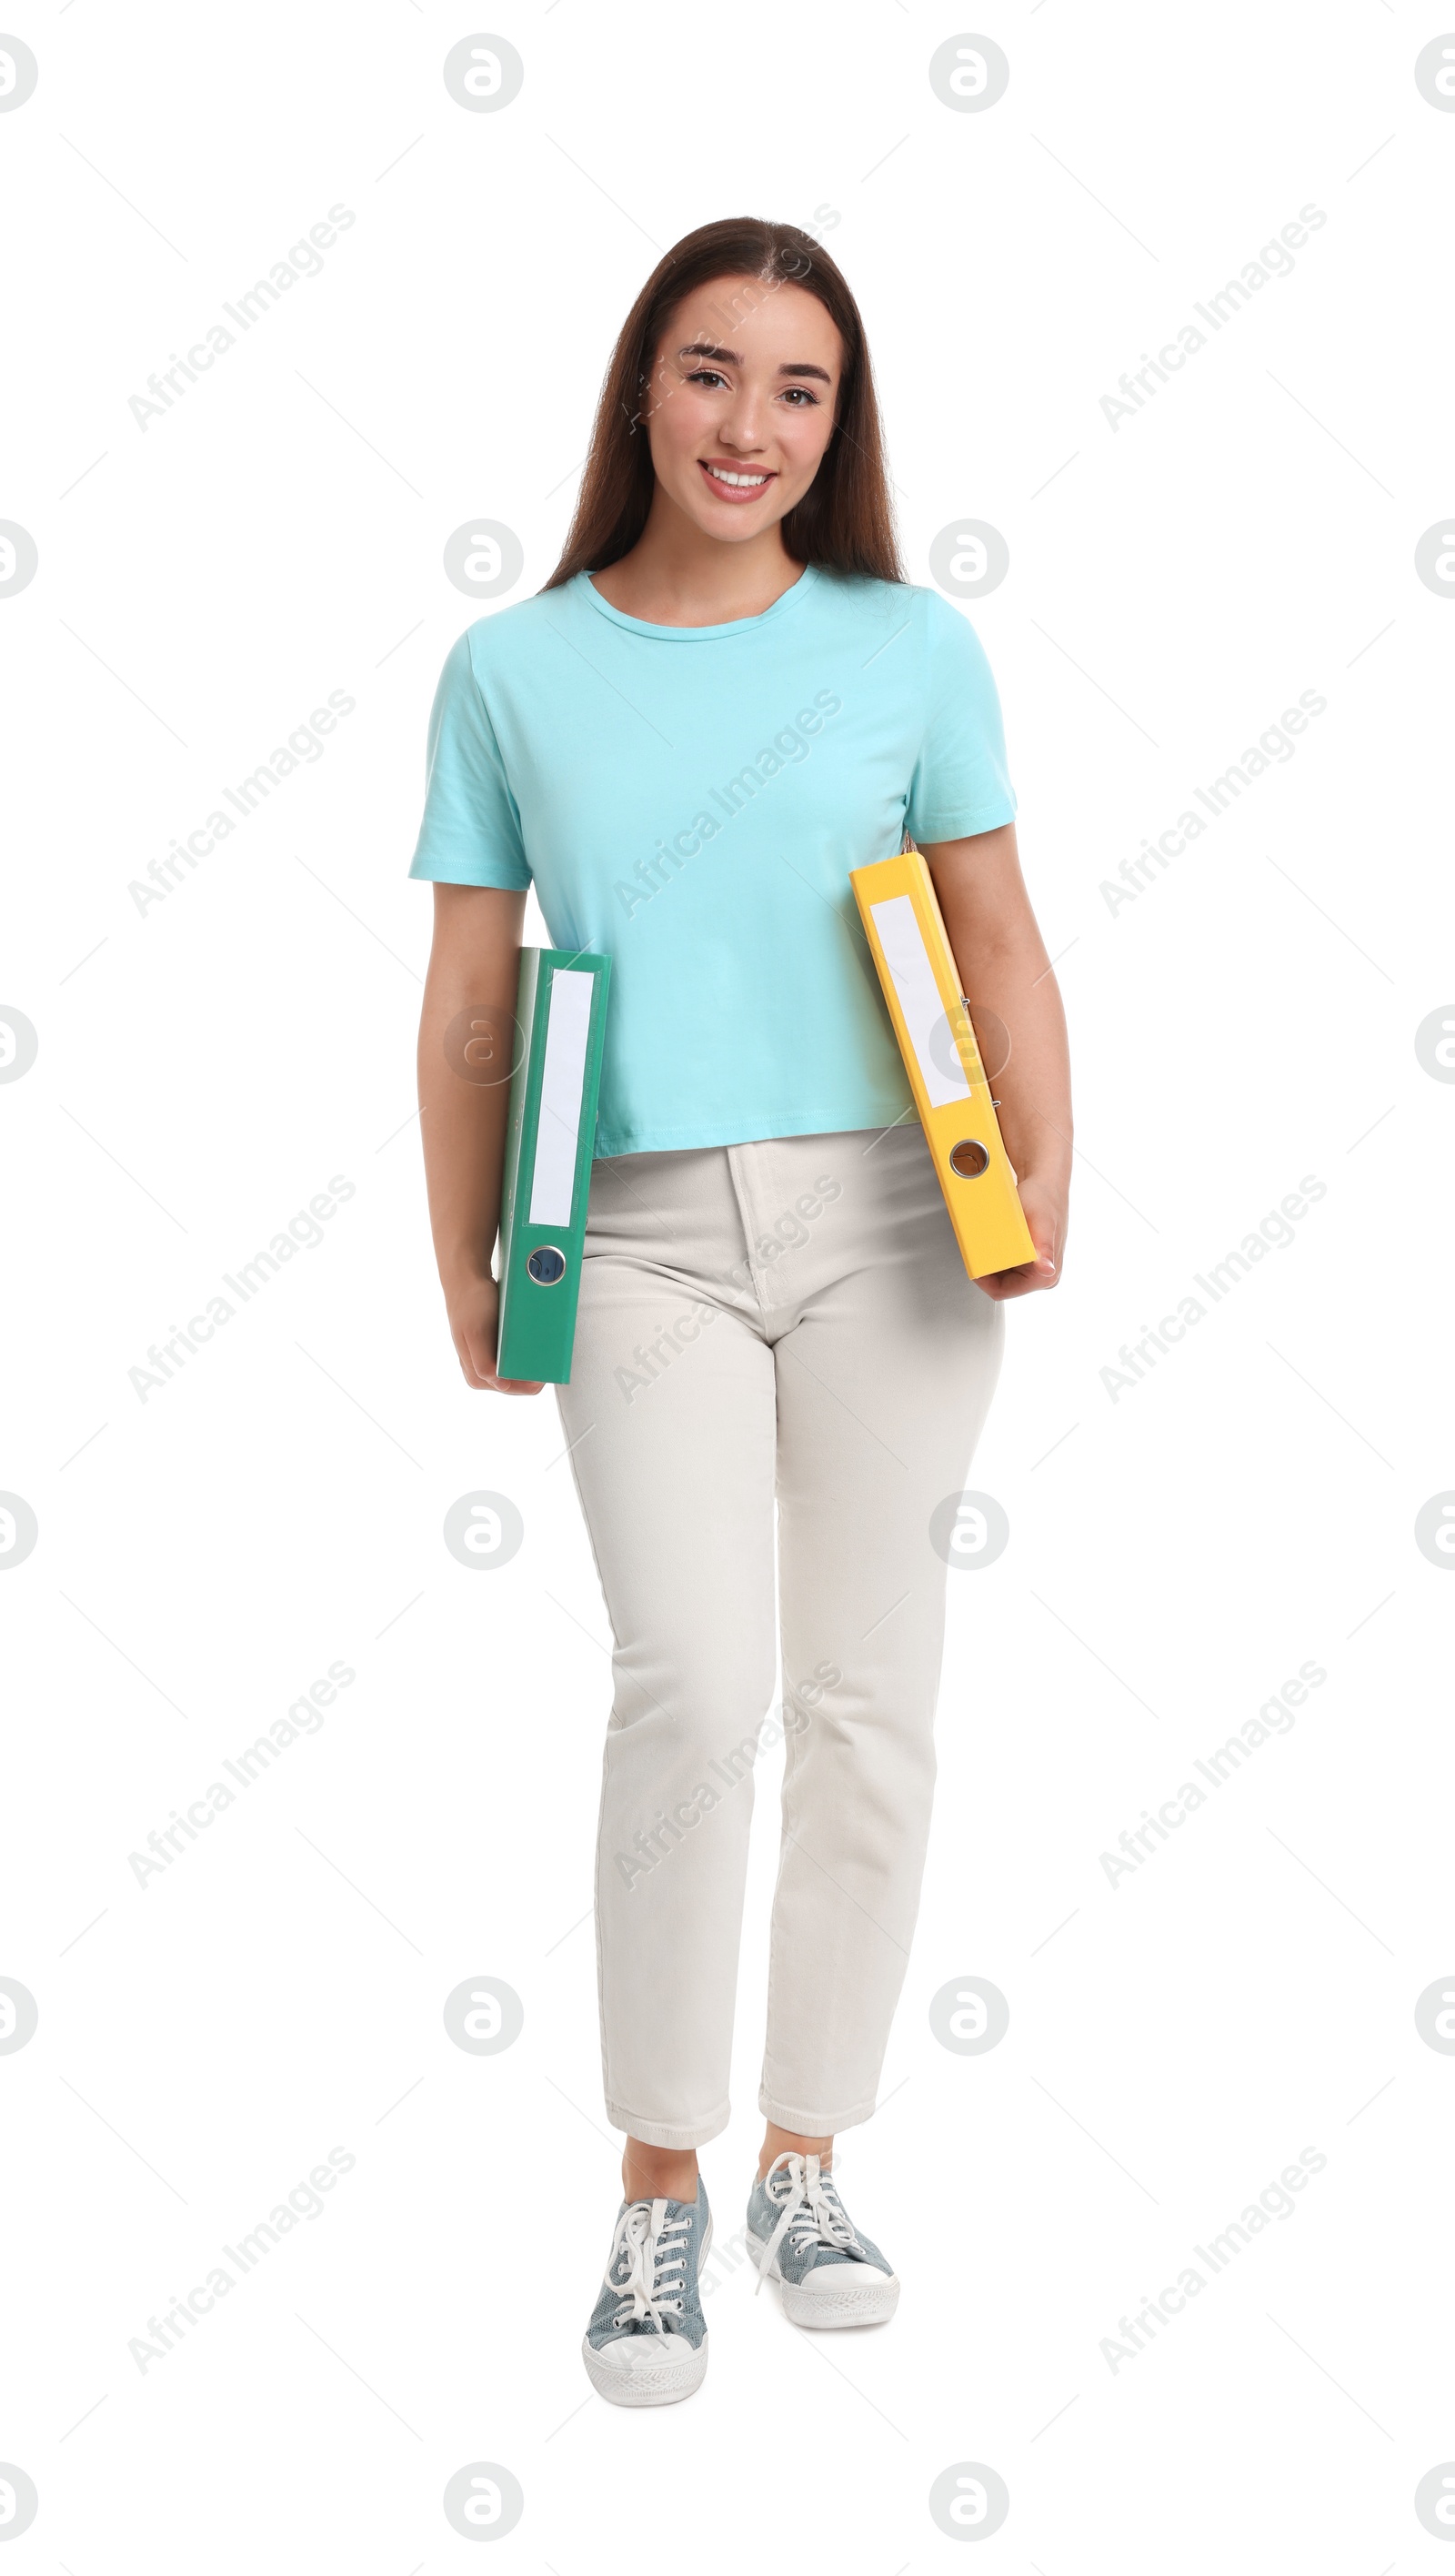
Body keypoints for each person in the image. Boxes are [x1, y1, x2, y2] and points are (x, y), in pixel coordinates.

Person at [409, 216, 1071, 2407]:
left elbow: (992, 933)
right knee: (692, 1690)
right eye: (711, 375)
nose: (750, 427)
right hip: (632, 1230)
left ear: (837, 425)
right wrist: (466, 1257)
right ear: (638, 392)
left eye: (798, 391)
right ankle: (655, 2192)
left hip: (897, 1214)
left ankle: (805, 2158)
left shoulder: (908, 644)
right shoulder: (512, 668)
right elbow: (468, 1003)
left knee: (870, 1698)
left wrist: (1040, 1174)